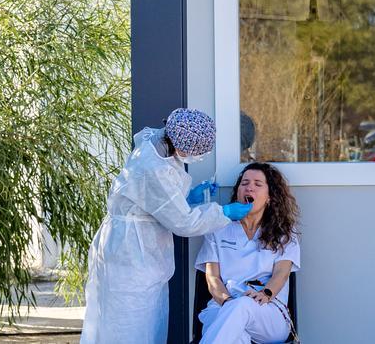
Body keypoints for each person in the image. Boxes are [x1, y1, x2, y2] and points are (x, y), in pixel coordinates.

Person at [81, 109, 254, 344]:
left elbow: (159, 200)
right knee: (129, 328)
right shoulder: (152, 166)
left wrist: (187, 197)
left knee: (148, 325)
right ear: (183, 145)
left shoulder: (160, 145)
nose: (197, 156)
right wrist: (224, 212)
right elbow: (184, 222)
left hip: (140, 255)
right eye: (197, 152)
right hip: (130, 259)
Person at [197, 162, 301, 344]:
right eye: (244, 183)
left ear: (270, 197)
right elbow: (212, 278)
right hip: (224, 304)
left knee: (243, 306)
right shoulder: (218, 228)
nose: (249, 187)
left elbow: (281, 274)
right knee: (237, 335)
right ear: (238, 192)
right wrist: (229, 302)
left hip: (267, 310)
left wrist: (266, 293)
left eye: (257, 184)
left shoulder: (284, 233)